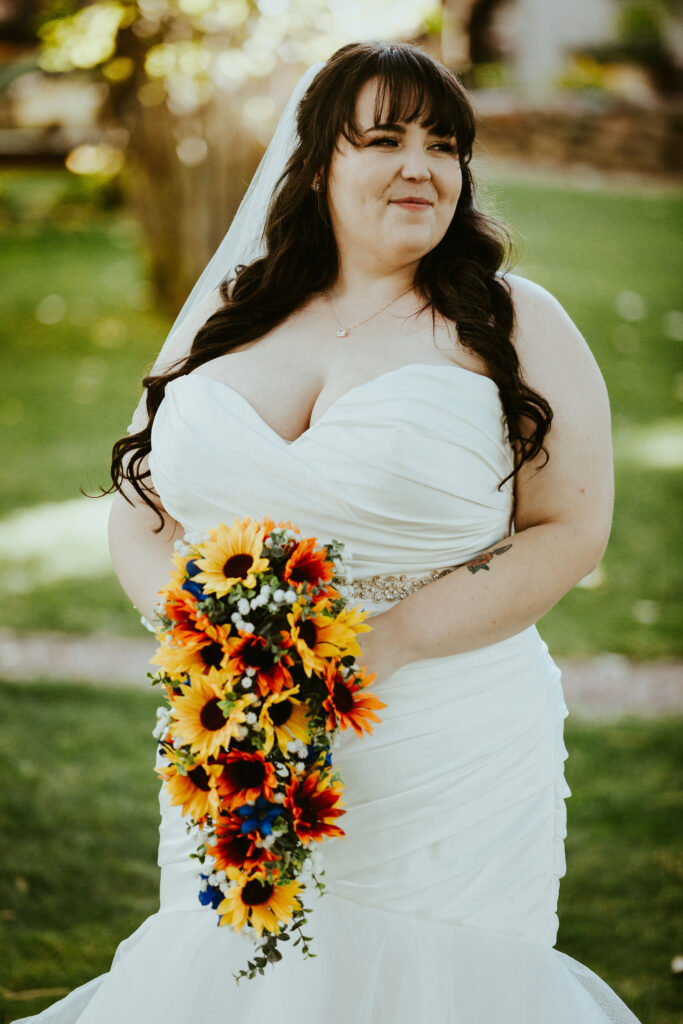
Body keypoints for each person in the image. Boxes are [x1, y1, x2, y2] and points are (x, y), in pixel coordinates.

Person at [14, 40, 642, 1024]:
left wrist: (378, 645)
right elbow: (142, 511)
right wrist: (210, 637)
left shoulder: (515, 323)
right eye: (384, 139)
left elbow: (571, 528)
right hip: (235, 737)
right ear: (315, 165)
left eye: (443, 144)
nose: (420, 167)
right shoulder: (235, 311)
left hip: (445, 743)